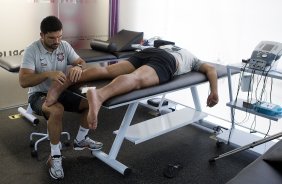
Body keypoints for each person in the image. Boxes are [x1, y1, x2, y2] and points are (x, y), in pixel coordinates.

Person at [46, 44, 219, 131]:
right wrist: (214, 91)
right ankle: (99, 96)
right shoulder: (194, 59)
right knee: (135, 79)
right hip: (168, 61)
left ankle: (65, 81)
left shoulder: (173, 46)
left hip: (150, 51)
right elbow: (210, 69)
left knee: (106, 71)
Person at [18, 15, 103, 180]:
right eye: (51, 38)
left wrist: (78, 67)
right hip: (38, 95)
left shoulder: (64, 46)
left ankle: (81, 139)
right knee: (57, 110)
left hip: (61, 90)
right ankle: (55, 156)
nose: (56, 41)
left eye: (59, 36)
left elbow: (81, 62)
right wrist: (48, 74)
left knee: (90, 102)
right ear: (42, 35)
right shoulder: (31, 50)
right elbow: (23, 81)